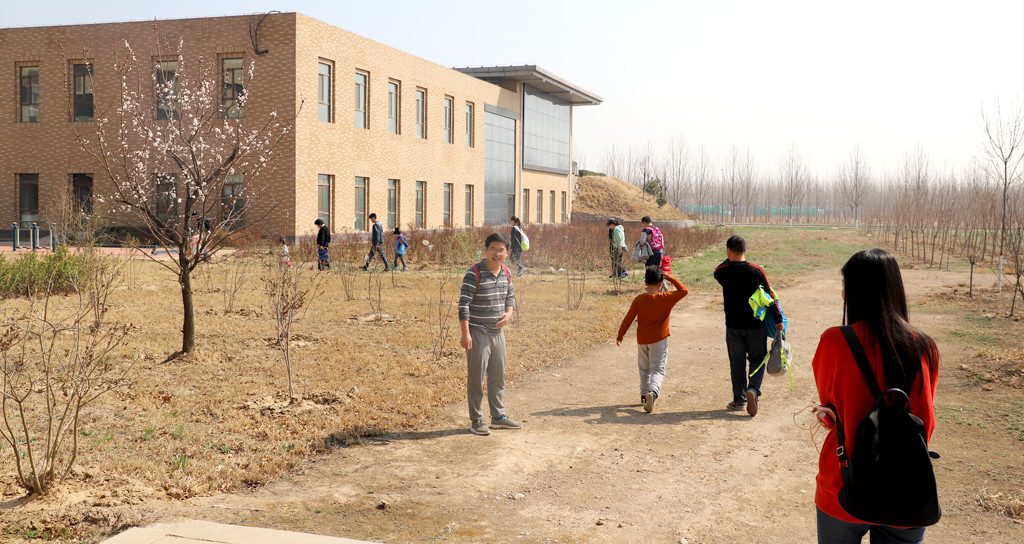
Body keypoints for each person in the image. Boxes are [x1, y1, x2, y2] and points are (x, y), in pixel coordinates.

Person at [810, 248, 939, 543]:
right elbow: (926, 421)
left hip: (843, 485)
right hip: (906, 489)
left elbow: (831, 408)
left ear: (854, 291)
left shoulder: (834, 341)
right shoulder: (925, 347)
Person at [458, 232, 521, 436]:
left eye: (501, 250)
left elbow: (510, 297)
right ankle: (476, 419)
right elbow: (464, 305)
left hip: (497, 333)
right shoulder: (474, 273)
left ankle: (498, 417)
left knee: (497, 376)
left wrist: (509, 314)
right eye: (493, 249)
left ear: (507, 253)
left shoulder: (506, 272)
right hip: (478, 332)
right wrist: (465, 333)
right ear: (486, 250)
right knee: (476, 378)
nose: (497, 253)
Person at [713, 234, 782, 416]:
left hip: (733, 327)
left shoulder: (723, 272)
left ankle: (739, 399)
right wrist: (778, 320)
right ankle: (753, 389)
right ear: (745, 250)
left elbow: (717, 270)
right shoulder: (756, 271)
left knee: (737, 363)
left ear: (728, 251)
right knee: (757, 359)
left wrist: (729, 259)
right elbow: (769, 297)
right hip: (755, 326)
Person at [616, 266, 689, 413]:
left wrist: (620, 335)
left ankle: (644, 396)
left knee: (644, 369)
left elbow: (628, 319)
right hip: (659, 340)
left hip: (642, 340)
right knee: (658, 369)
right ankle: (653, 392)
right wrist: (669, 277)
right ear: (660, 283)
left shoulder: (639, 300)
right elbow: (684, 290)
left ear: (645, 283)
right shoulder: (666, 298)